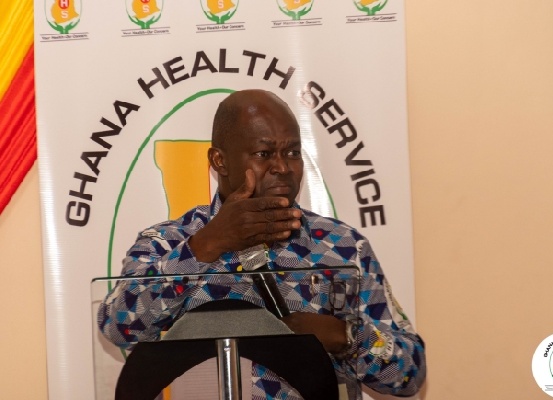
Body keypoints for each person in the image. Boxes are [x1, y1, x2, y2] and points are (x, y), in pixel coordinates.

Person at [98, 89, 426, 399]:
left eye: (292, 153)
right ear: (219, 161)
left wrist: (346, 338)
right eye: (264, 154)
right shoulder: (167, 242)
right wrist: (206, 245)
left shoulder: (342, 247)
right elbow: (118, 326)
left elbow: (409, 372)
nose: (282, 167)